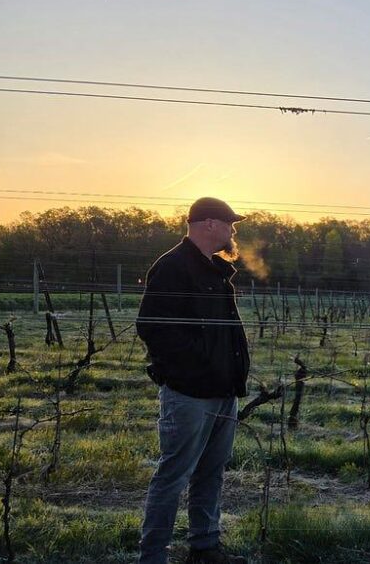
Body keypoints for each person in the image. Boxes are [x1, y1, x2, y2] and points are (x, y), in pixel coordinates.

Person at [137, 197, 251, 564]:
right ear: (209, 224)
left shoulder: (215, 269)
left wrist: (227, 372)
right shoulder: (172, 267)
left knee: (211, 474)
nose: (233, 231)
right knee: (173, 475)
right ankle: (153, 556)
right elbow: (152, 327)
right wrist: (198, 367)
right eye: (230, 224)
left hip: (223, 391)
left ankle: (204, 549)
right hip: (189, 394)